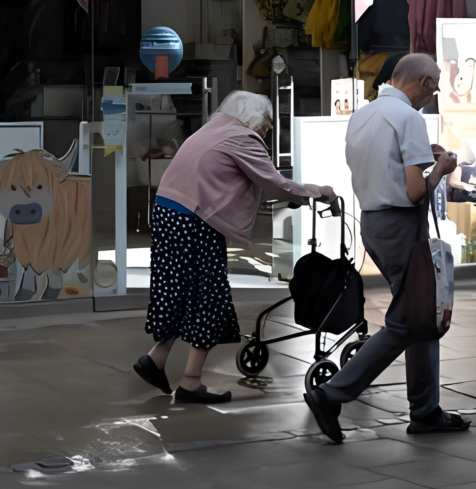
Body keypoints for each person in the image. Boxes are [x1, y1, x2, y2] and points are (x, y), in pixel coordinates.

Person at [303, 54, 470, 443]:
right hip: (400, 224)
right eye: (435, 86)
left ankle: (426, 410)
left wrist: (422, 157)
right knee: (408, 320)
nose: (436, 94)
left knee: (421, 314)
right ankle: (333, 394)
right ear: (425, 83)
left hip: (374, 223)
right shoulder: (410, 118)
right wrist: (442, 169)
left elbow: (387, 167)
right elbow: (415, 192)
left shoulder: (364, 114)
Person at [133, 91, 336, 404]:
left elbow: (244, 185)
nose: (267, 130)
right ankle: (190, 383)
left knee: (180, 290)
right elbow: (274, 183)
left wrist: (294, 196)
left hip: (166, 213)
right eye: (267, 123)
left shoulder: (211, 129)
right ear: (252, 117)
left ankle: (155, 359)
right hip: (194, 221)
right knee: (208, 297)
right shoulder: (242, 137)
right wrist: (317, 192)